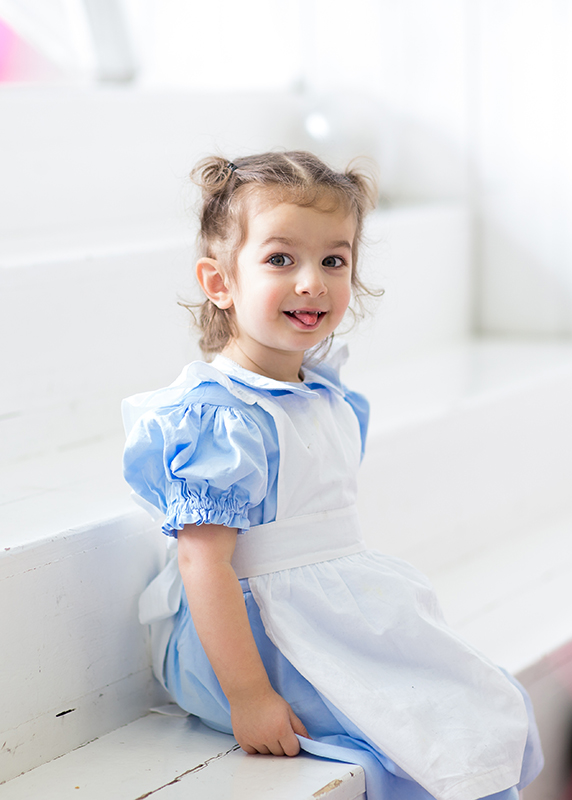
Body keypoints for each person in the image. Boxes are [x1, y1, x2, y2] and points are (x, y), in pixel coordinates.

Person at [122, 151, 543, 800]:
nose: (312, 282)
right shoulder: (223, 420)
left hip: (323, 606)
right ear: (220, 282)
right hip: (251, 640)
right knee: (417, 733)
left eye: (334, 260)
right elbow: (203, 563)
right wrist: (249, 695)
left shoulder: (326, 395)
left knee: (470, 699)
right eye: (280, 259)